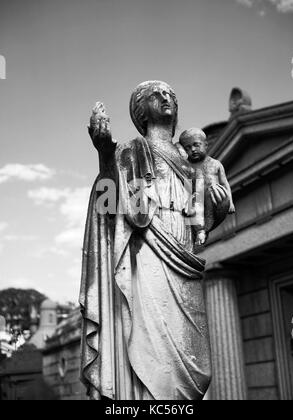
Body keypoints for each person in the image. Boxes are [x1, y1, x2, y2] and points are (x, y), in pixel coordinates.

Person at [80, 81, 229, 400]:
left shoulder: (190, 161)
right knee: (151, 363)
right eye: (156, 95)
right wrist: (106, 156)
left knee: (196, 365)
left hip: (184, 262)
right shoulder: (131, 151)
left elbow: (198, 223)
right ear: (139, 111)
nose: (166, 98)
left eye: (172, 95)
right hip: (145, 258)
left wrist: (214, 208)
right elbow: (109, 208)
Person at [179, 128, 235, 244]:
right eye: (188, 148)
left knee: (213, 190)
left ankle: (202, 230)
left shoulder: (215, 164)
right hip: (196, 201)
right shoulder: (187, 167)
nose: (193, 150)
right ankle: (200, 230)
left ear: (205, 145)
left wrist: (231, 202)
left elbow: (224, 182)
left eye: (196, 145)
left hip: (214, 198)